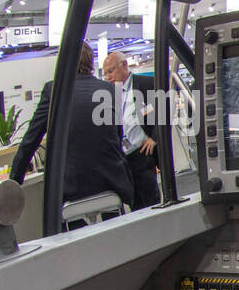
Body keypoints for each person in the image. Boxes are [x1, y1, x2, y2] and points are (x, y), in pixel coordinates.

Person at [10, 45, 134, 209]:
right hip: (112, 181)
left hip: (71, 187)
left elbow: (31, 139)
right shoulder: (111, 89)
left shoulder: (53, 90)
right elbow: (117, 138)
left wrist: (14, 180)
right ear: (91, 62)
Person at [102, 52, 161, 209]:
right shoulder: (110, 93)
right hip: (124, 157)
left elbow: (165, 109)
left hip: (143, 152)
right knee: (134, 204)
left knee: (150, 201)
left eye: (110, 71)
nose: (108, 77)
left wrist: (155, 137)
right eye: (105, 73)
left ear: (124, 65)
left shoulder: (146, 83)